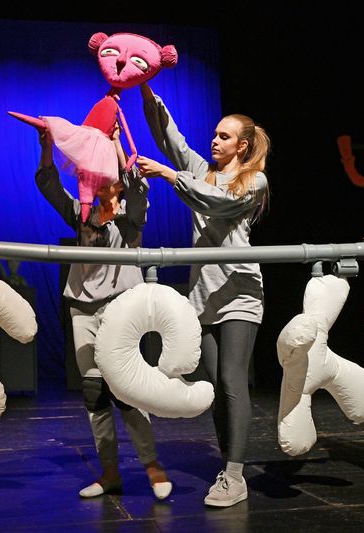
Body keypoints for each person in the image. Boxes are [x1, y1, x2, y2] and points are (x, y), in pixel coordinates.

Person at [137, 83, 270, 507]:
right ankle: (229, 468)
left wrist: (170, 175)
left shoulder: (253, 180)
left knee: (232, 380)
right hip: (204, 295)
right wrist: (145, 89)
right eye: (214, 134)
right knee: (215, 387)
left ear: (242, 145)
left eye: (223, 136)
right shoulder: (203, 170)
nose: (214, 141)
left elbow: (218, 203)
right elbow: (171, 139)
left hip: (240, 292)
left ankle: (235, 475)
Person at [34, 120, 172, 500]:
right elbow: (48, 183)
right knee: (94, 391)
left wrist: (115, 143)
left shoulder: (131, 215)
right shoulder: (83, 214)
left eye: (104, 175)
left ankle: (152, 465)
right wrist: (46, 146)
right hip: (83, 307)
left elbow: (137, 185)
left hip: (121, 309)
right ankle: (110, 472)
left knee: (126, 390)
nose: (96, 179)